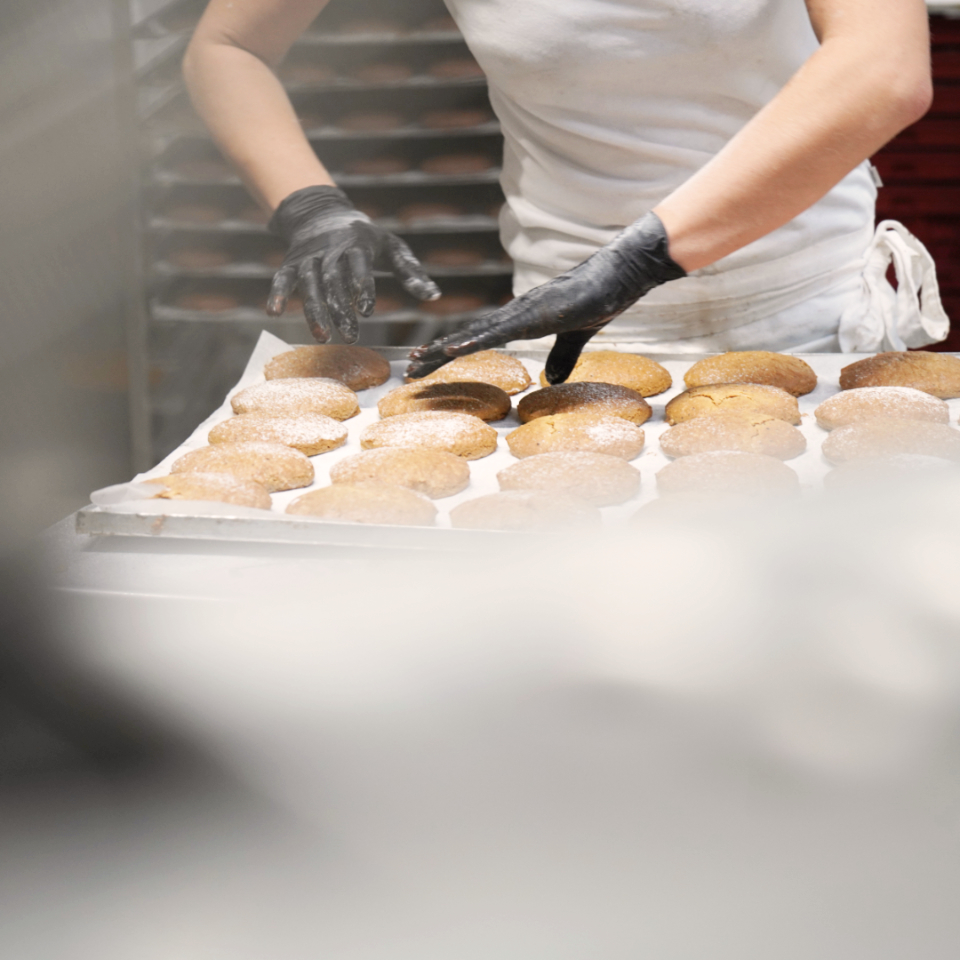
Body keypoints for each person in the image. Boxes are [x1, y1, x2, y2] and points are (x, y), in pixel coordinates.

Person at [184, 0, 947, 384]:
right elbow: (228, 46)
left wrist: (641, 259)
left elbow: (884, 69)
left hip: (806, 313)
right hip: (567, 337)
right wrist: (311, 206)